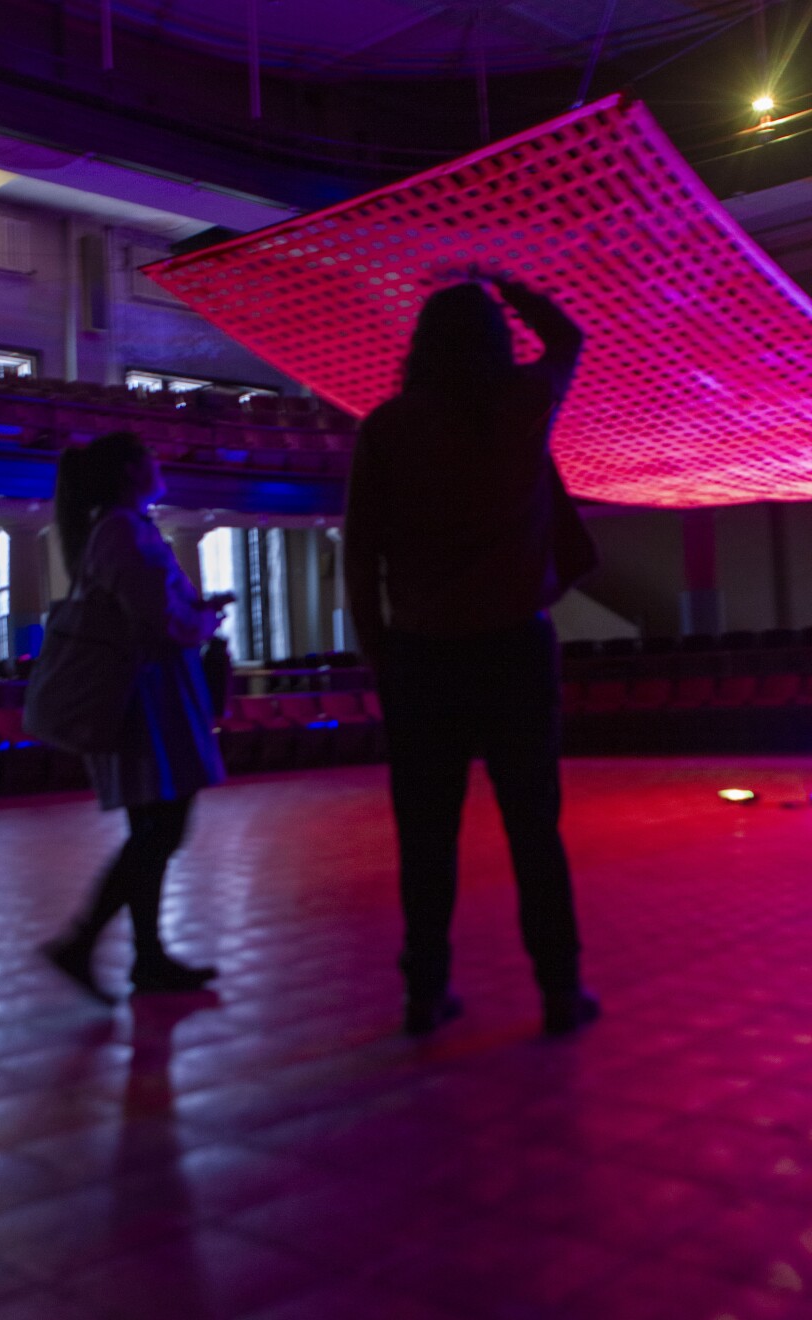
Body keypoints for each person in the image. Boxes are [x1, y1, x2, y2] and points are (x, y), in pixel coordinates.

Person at [344, 273, 600, 1036]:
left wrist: (380, 658)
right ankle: (559, 991)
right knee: (534, 830)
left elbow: (360, 555)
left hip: (423, 655)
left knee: (426, 838)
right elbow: (569, 340)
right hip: (517, 648)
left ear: (421, 345)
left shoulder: (388, 427)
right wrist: (512, 288)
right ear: (497, 342)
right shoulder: (520, 407)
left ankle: (425, 993)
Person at [42, 430, 233, 1001]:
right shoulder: (123, 530)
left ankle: (145, 958)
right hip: (145, 698)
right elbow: (156, 620)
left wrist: (195, 612)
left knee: (152, 829)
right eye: (149, 455)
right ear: (130, 471)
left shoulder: (122, 528)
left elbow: (151, 608)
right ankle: (81, 943)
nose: (159, 461)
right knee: (161, 829)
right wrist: (202, 623)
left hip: (149, 692)